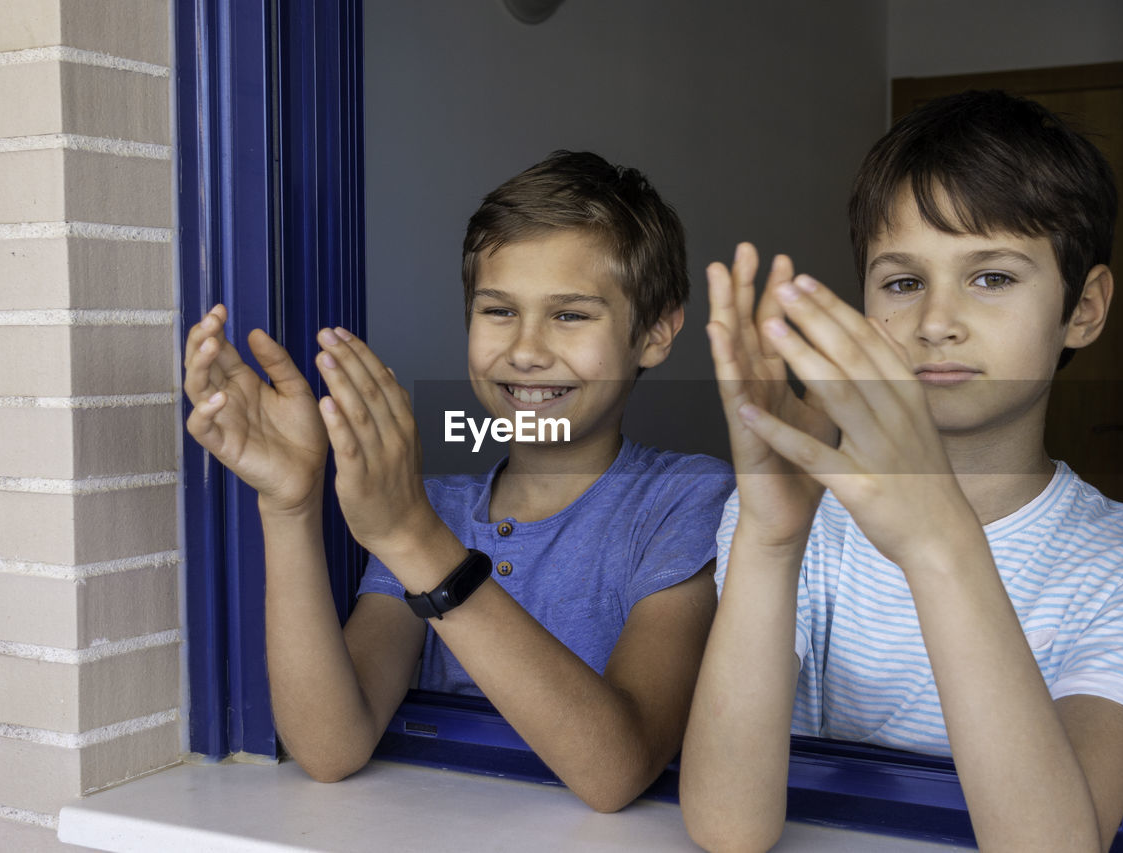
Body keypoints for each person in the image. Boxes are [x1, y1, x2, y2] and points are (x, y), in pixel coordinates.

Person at [679, 91, 1123, 851]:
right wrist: (771, 537)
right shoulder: (797, 519)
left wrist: (939, 538)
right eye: (902, 282)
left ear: (1085, 308)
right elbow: (727, 827)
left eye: (993, 277)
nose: (936, 320)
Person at [183, 150, 733, 812]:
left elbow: (617, 768)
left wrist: (415, 538)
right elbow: (329, 748)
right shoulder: (438, 504)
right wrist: (289, 503)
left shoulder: (688, 498)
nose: (526, 350)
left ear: (656, 331)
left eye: (570, 314)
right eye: (499, 310)